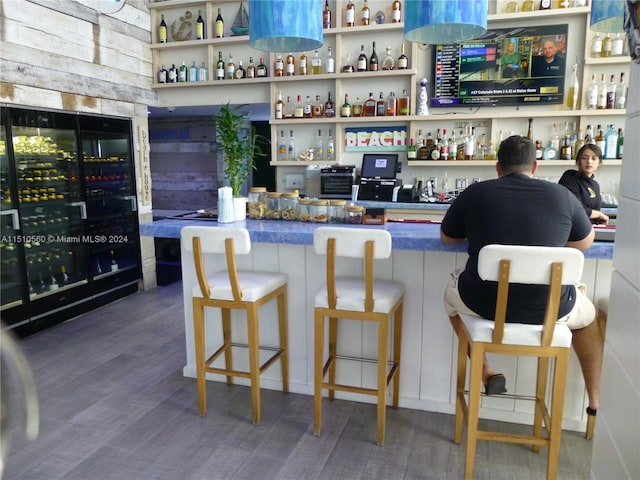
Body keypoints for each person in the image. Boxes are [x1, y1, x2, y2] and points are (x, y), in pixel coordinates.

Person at [441, 135, 603, 420]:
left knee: (450, 302)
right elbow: (586, 241)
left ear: (498, 167)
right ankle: (595, 401)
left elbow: (447, 237)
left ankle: (485, 370)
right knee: (588, 319)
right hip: (552, 311)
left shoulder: (476, 193)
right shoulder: (561, 195)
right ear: (535, 166)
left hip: (483, 304)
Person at [559, 144, 609, 225]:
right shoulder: (569, 178)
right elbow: (574, 209)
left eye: (593, 158)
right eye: (584, 158)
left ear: (599, 163)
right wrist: (599, 214)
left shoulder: (595, 185)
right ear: (578, 161)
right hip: (573, 230)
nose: (589, 161)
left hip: (591, 229)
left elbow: (596, 210)